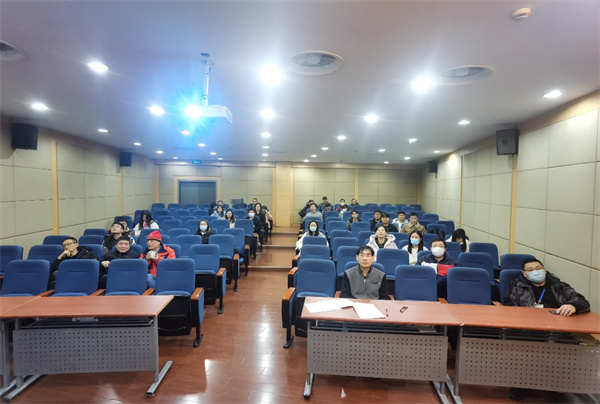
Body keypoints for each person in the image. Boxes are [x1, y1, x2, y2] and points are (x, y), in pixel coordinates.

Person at [503, 259, 590, 401]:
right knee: (525, 348)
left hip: (555, 330)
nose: (535, 271)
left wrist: (573, 305)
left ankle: (553, 387)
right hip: (526, 329)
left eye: (538, 268)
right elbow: (508, 305)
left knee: (562, 348)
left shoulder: (559, 286)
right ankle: (523, 385)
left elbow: (581, 301)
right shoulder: (517, 285)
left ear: (544, 269)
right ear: (525, 274)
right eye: (530, 270)